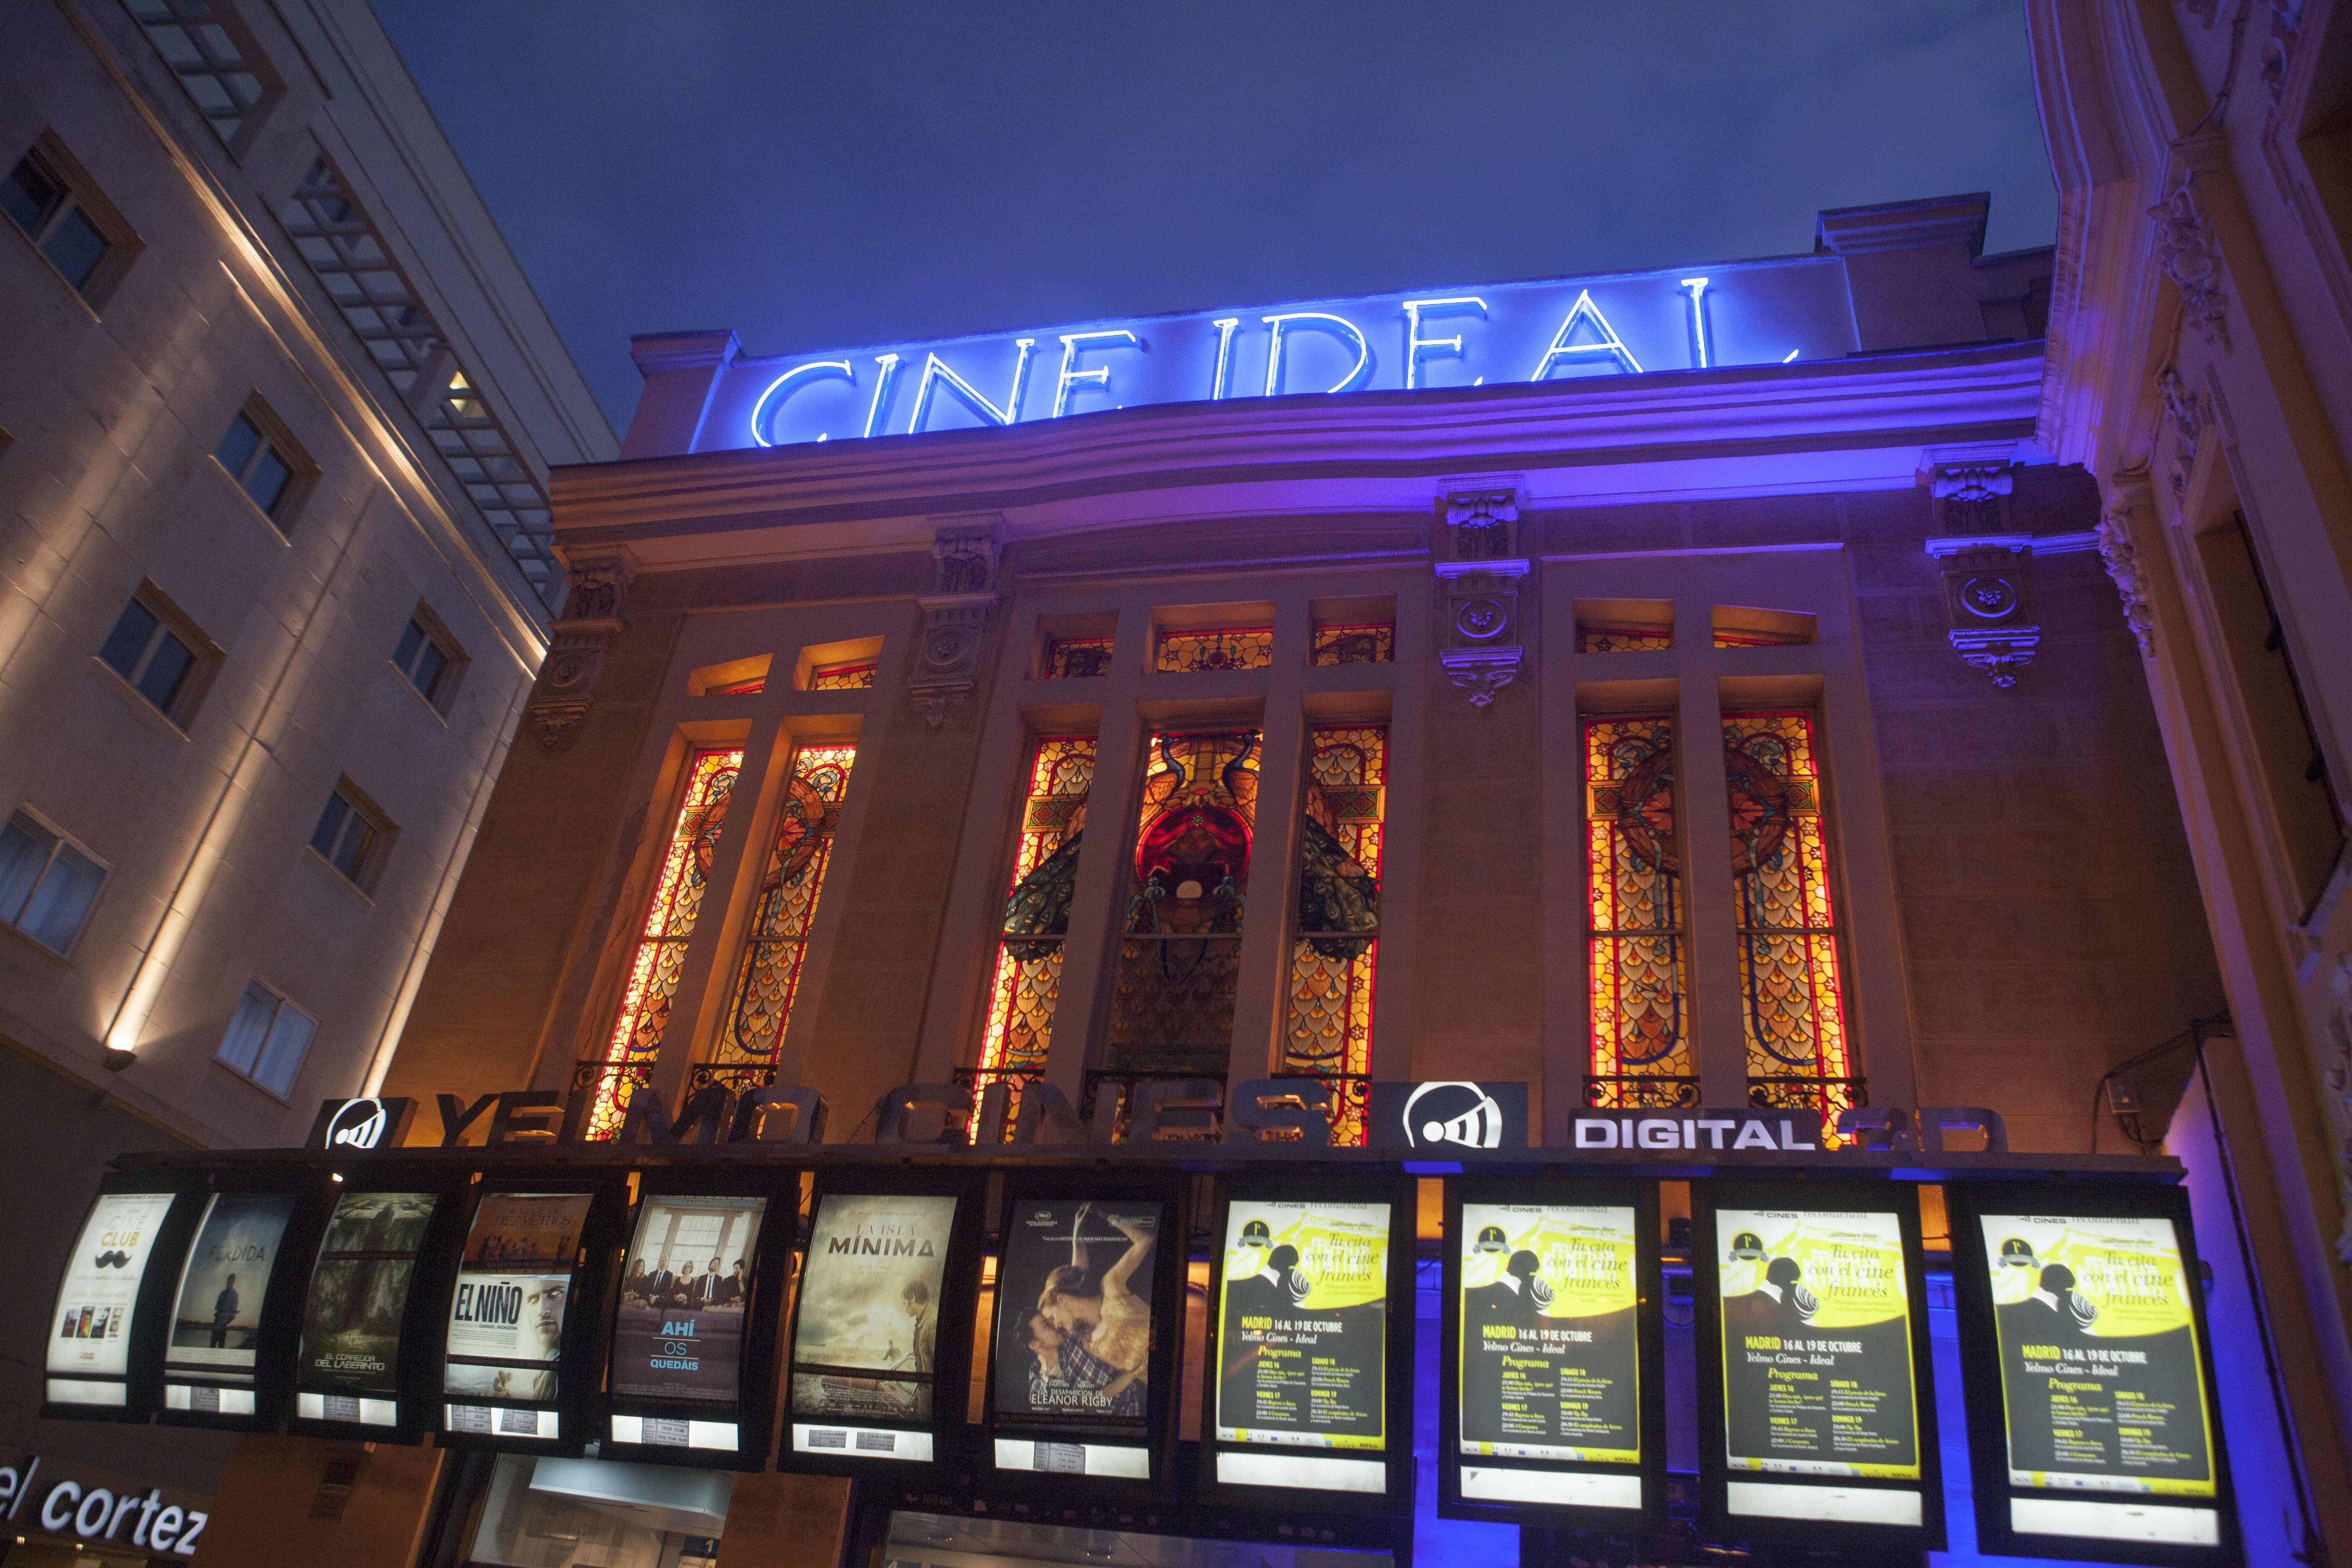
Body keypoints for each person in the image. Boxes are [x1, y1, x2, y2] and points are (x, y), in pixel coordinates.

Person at [1038, 1206, 1155, 1401]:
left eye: (1051, 1317)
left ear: (1062, 1299)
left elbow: (1146, 1240)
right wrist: (1094, 1402)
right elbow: (1129, 1375)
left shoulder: (1111, 1287)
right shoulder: (1088, 1342)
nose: (1054, 1325)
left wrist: (1111, 1217)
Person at [1465, 1248, 1547, 1333]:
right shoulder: (1525, 1306)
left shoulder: (1471, 1295)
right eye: (1531, 1274)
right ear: (1523, 1274)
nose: (1533, 1279)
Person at [210, 1273, 240, 1349]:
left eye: (231, 1281)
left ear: (233, 1282)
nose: (229, 1283)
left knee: (221, 1346)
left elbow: (233, 1314)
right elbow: (217, 1309)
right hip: (217, 1323)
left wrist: (225, 1322)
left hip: (223, 1326)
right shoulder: (222, 1293)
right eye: (228, 1281)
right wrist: (218, 1317)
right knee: (212, 1345)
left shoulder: (235, 1295)